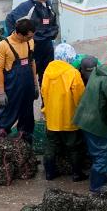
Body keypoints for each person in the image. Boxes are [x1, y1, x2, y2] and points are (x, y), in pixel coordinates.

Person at [73, 49, 107, 190]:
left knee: (96, 153)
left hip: (83, 117)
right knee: (101, 155)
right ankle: (96, 187)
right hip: (95, 123)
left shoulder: (99, 69)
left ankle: (100, 180)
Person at [40, 42, 87, 181]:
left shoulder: (48, 70)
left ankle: (49, 173)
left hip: (52, 117)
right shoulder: (73, 73)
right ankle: (77, 173)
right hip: (69, 117)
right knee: (74, 146)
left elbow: (44, 91)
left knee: (51, 144)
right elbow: (79, 97)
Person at [0, 19, 39, 140]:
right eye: (28, 37)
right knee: (7, 114)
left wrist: (35, 85)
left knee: (27, 114)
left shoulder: (30, 43)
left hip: (28, 85)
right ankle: (2, 138)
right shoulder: (3, 45)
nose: (30, 39)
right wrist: (1, 92)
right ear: (19, 34)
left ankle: (25, 137)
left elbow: (32, 63)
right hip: (12, 87)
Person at [6, 0, 59, 79]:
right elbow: (10, 18)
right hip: (33, 46)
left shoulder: (48, 6)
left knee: (48, 74)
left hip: (47, 46)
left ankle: (45, 93)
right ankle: (32, 90)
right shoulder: (27, 7)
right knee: (30, 73)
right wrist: (14, 38)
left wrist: (53, 33)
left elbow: (54, 21)